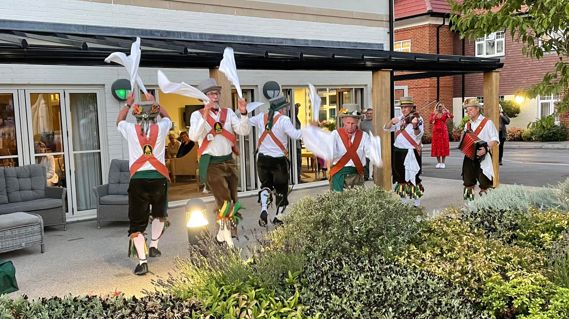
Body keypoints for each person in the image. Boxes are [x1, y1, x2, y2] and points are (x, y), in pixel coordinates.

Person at [188, 78, 249, 245]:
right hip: (211, 163)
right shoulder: (196, 115)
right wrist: (205, 114)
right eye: (211, 93)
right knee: (224, 200)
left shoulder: (228, 113)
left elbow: (243, 131)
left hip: (229, 160)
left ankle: (221, 236)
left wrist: (243, 113)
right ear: (204, 97)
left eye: (217, 93)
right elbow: (193, 136)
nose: (216, 96)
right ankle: (229, 239)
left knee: (233, 199)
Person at [116, 92, 171, 276]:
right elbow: (168, 117)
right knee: (159, 213)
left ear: (136, 115)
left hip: (138, 181)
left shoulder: (131, 129)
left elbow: (119, 121)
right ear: (155, 115)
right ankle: (154, 244)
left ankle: (142, 262)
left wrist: (127, 103)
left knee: (137, 224)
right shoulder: (162, 128)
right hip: (159, 179)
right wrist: (154, 102)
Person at [249, 95, 302, 227]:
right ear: (283, 108)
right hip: (278, 161)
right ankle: (278, 217)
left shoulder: (261, 117)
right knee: (281, 189)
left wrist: (242, 112)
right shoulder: (284, 120)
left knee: (265, 186)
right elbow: (295, 135)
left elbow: (246, 122)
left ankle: (264, 210)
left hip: (262, 159)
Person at [304, 103, 381, 192]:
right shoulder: (335, 135)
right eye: (348, 123)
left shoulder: (364, 136)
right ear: (343, 121)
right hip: (338, 175)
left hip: (356, 176)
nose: (350, 126)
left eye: (353, 123)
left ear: (357, 122)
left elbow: (370, 153)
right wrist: (329, 170)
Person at [383, 96, 424, 207]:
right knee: (399, 176)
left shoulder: (418, 119)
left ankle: (416, 201)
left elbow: (418, 135)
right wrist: (391, 121)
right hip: (398, 151)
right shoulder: (399, 118)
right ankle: (403, 201)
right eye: (402, 107)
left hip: (411, 151)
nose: (404, 109)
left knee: (414, 176)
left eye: (406, 107)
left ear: (411, 107)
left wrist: (415, 125)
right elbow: (386, 128)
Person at [461, 98, 499, 200]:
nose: (468, 112)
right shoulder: (467, 125)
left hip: (483, 156)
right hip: (469, 157)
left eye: (470, 109)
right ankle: (469, 206)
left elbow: (495, 139)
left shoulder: (487, 123)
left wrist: (485, 149)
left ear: (477, 109)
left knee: (485, 184)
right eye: (466, 110)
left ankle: (486, 208)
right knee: (468, 183)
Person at [429, 102, 453, 168]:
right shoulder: (433, 114)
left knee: (443, 146)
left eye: (441, 106)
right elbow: (430, 121)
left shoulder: (445, 114)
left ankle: (443, 163)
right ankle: (438, 162)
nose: (440, 108)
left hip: (443, 132)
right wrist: (435, 115)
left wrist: (446, 109)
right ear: (436, 107)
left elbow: (451, 117)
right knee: (437, 146)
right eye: (439, 106)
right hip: (436, 132)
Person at [360, 107, 374, 180]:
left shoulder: (376, 122)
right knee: (366, 160)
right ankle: (366, 176)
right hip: (366, 144)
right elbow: (360, 133)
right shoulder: (362, 123)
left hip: (375, 143)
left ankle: (375, 175)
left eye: (370, 113)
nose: (369, 115)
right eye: (367, 113)